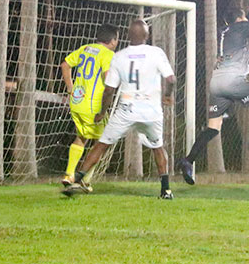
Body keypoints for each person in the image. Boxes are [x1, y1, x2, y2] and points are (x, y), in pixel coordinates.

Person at [62, 19, 177, 199]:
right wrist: (168, 95)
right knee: (158, 147)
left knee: (101, 144)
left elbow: (109, 90)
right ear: (147, 35)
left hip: (126, 109)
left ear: (128, 36)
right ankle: (166, 190)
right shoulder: (156, 53)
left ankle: (77, 178)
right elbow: (171, 79)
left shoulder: (119, 56)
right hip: (150, 111)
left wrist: (102, 112)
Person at [178, 0, 249, 185]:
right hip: (233, 82)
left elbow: (246, 21)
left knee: (213, 128)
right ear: (240, 19)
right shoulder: (242, 28)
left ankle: (187, 160)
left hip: (217, 83)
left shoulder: (224, 30)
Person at [60, 24, 120, 191]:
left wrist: (70, 88)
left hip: (77, 101)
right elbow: (108, 78)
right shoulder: (108, 54)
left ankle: (69, 174)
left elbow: (65, 65)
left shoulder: (85, 48)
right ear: (113, 40)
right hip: (93, 105)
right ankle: (84, 180)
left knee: (82, 136)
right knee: (103, 141)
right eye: (117, 38)